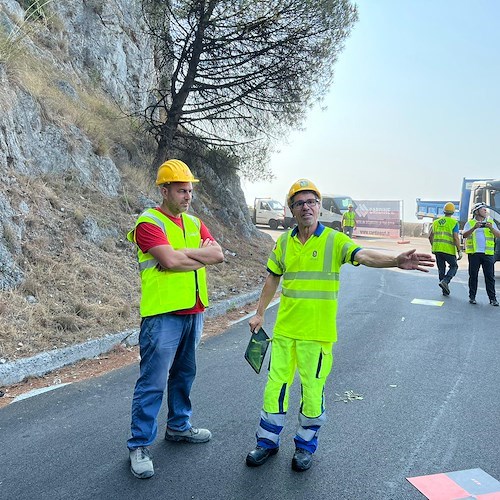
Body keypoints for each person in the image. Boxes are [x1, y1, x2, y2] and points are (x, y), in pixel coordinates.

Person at [245, 179, 434, 472]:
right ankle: (266, 442)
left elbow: (363, 255)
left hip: (317, 336)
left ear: (319, 206)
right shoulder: (284, 241)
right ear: (292, 209)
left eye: (312, 201)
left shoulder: (334, 240)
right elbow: (273, 276)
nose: (306, 207)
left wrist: (394, 260)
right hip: (284, 332)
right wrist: (260, 313)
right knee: (275, 388)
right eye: (300, 203)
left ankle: (305, 447)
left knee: (312, 391)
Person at [126, 159, 224, 479]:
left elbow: (218, 254)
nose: (188, 196)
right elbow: (167, 260)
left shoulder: (194, 223)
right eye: (182, 190)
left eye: (190, 190)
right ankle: (139, 444)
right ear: (164, 189)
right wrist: (199, 256)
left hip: (193, 312)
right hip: (162, 315)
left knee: (184, 375)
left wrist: (185, 258)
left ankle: (179, 426)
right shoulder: (148, 222)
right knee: (152, 382)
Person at [462, 202, 500, 306]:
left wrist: (491, 228)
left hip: (487, 254)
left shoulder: (491, 222)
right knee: (473, 276)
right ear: (477, 211)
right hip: (474, 254)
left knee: (490, 277)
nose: (485, 211)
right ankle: (472, 297)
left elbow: (499, 235)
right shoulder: (470, 223)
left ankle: (493, 299)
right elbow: (464, 235)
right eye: (483, 209)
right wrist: (474, 228)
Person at [428, 202, 462, 295]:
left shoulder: (435, 222)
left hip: (438, 250)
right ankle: (446, 281)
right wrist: (459, 250)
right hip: (448, 250)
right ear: (453, 212)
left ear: (444, 211)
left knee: (441, 269)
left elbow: (430, 236)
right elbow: (455, 237)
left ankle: (444, 291)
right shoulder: (454, 222)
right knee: (454, 266)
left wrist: (433, 246)